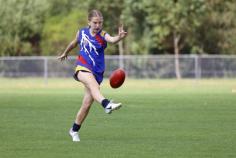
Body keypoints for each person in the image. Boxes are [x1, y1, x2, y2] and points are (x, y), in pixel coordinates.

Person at [58, 9, 127, 142]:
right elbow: (74, 43)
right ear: (88, 22)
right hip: (82, 68)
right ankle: (106, 104)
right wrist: (65, 52)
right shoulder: (82, 32)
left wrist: (119, 37)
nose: (98, 25)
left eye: (100, 23)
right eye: (95, 22)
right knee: (92, 84)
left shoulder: (103, 34)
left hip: (97, 72)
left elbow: (112, 40)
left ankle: (73, 130)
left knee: (86, 105)